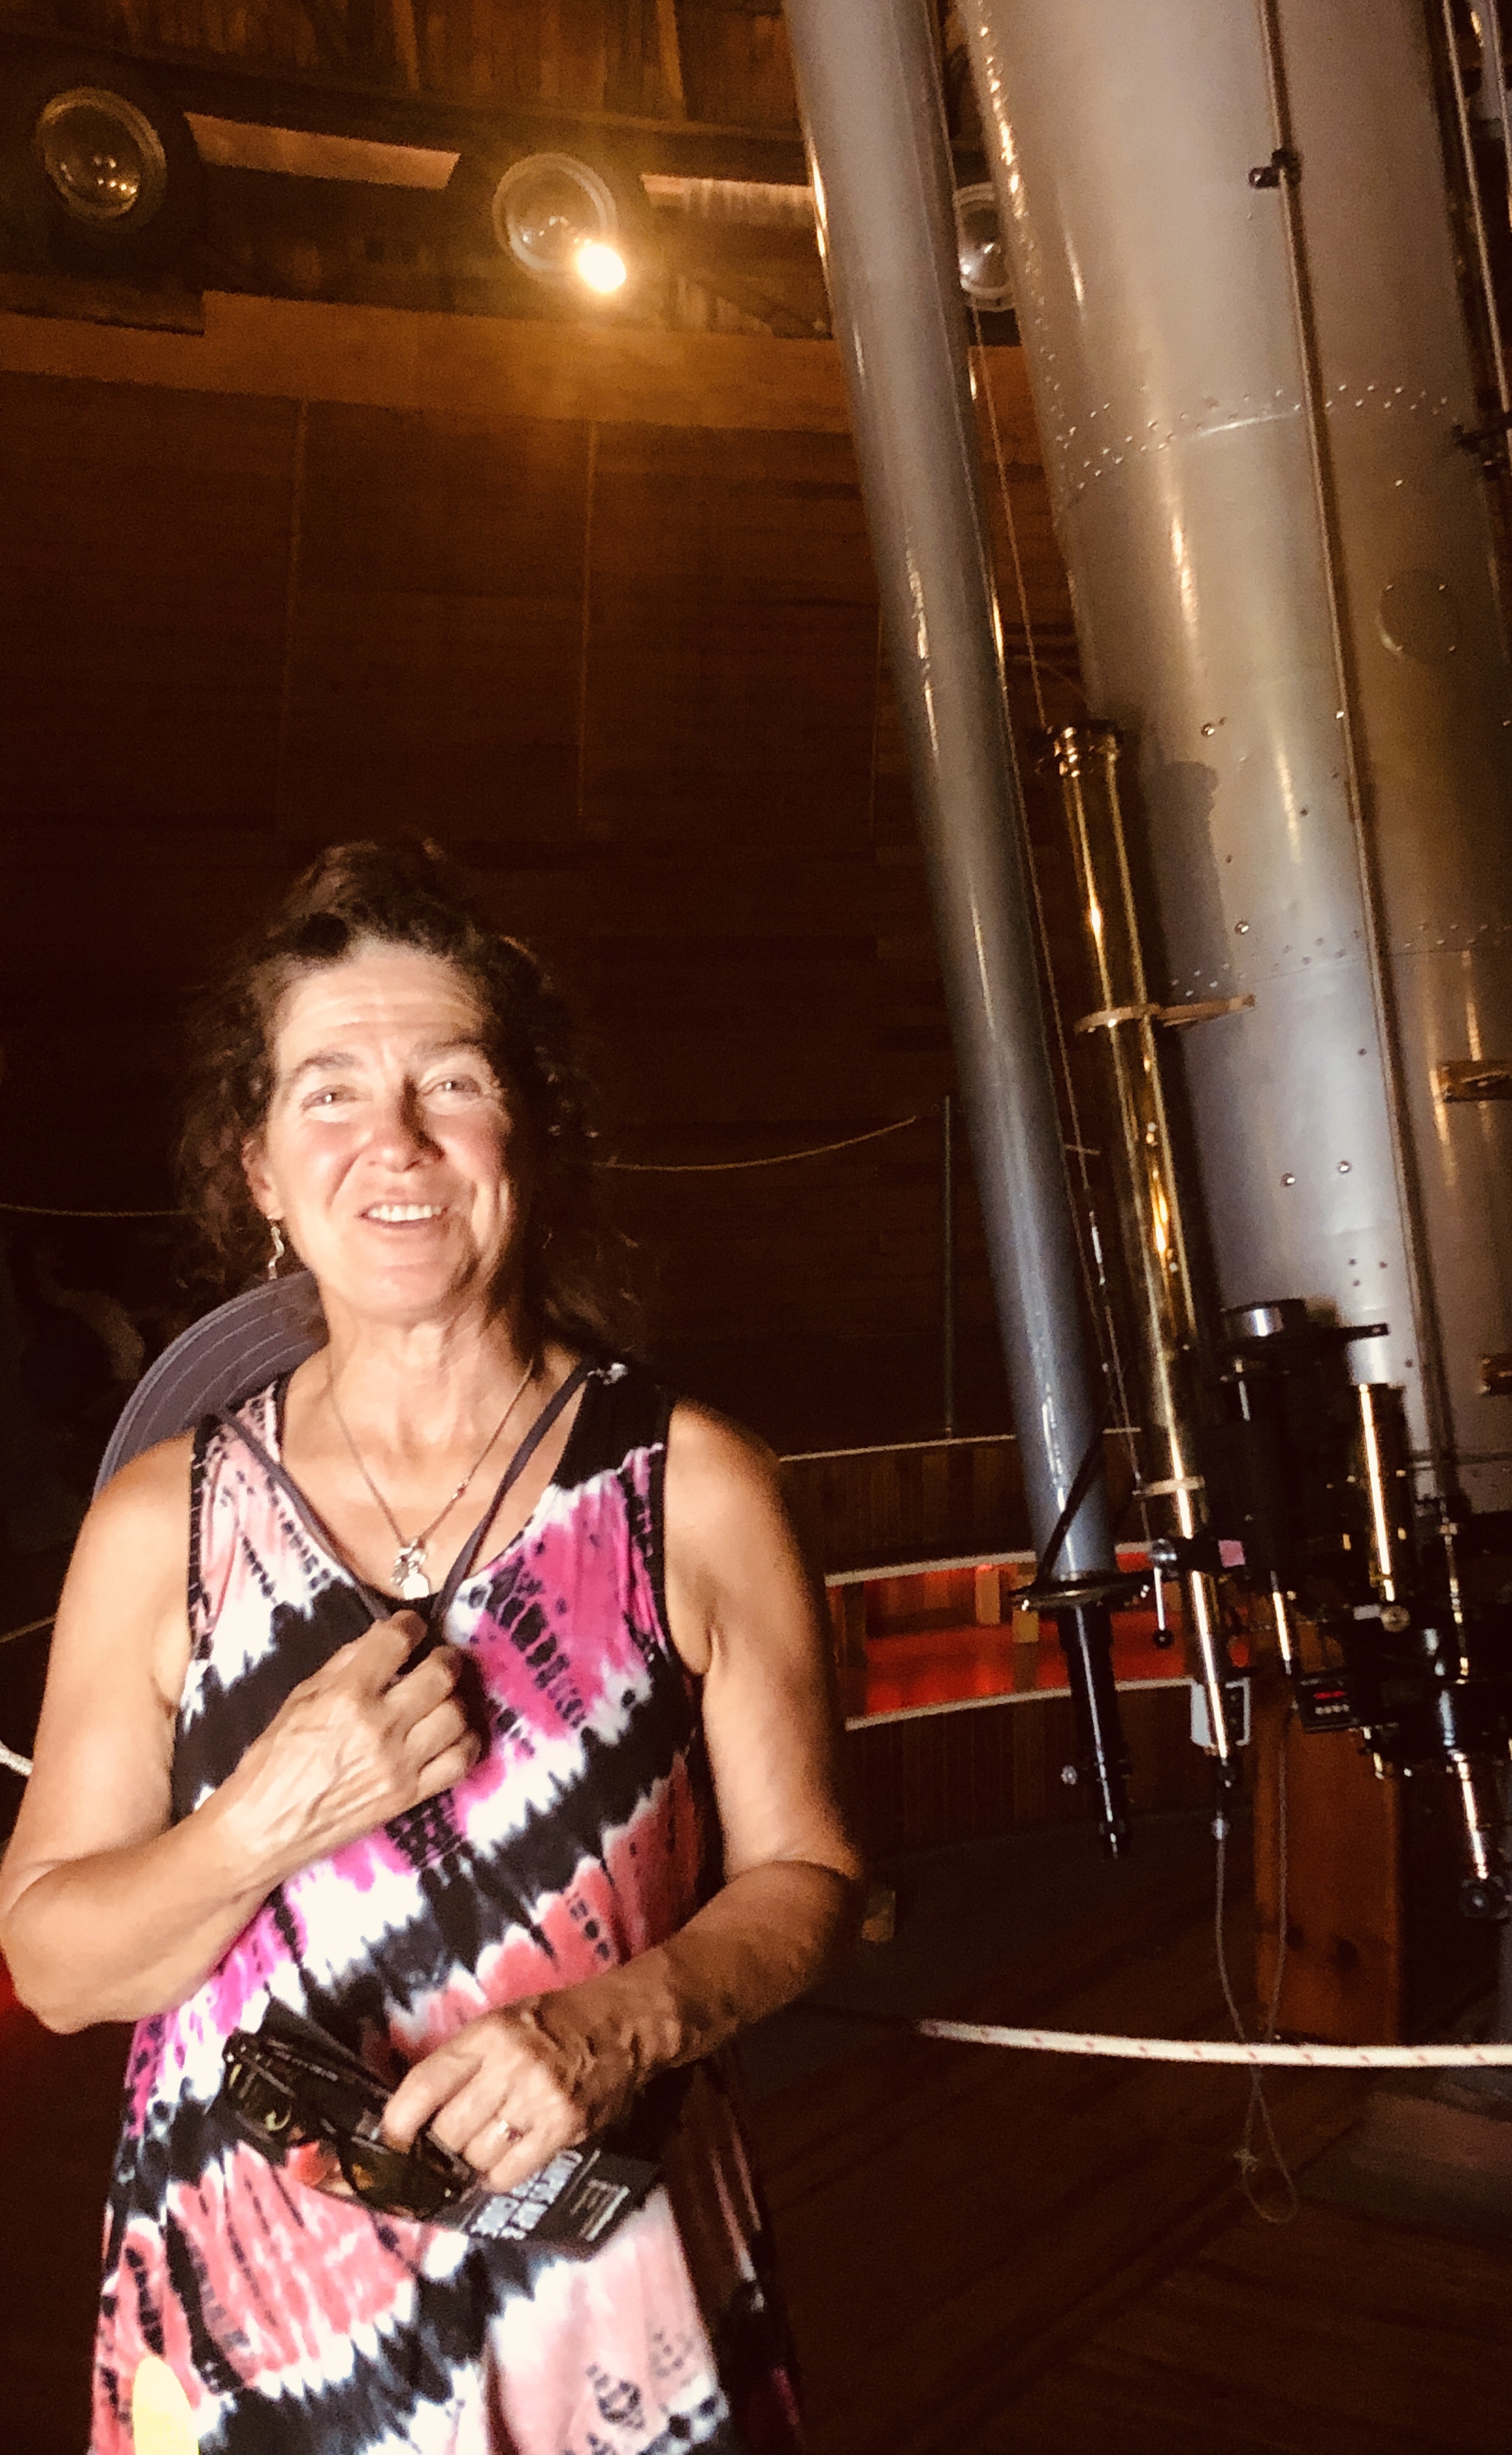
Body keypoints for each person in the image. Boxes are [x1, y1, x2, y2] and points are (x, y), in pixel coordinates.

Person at [0, 841, 863, 2455]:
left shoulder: (693, 1489)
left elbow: (808, 1877)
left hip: (599, 2298)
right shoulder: (163, 1522)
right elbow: (54, 1966)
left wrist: (622, 2022)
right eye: (327, 1092)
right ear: (260, 1168)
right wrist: (267, 1820)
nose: (391, 1141)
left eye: (450, 1082)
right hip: (251, 2318)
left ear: (527, 1129)